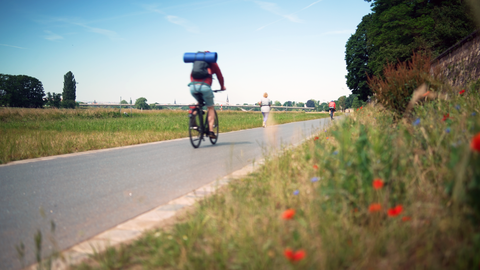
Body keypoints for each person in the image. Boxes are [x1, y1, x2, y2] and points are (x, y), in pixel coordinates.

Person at [188, 52, 226, 139]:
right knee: (210, 107)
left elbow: (191, 75)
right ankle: (210, 131)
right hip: (205, 87)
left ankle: (193, 115)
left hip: (192, 87)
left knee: (199, 102)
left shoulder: (196, 62)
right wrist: (222, 86)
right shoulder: (213, 63)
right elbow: (220, 76)